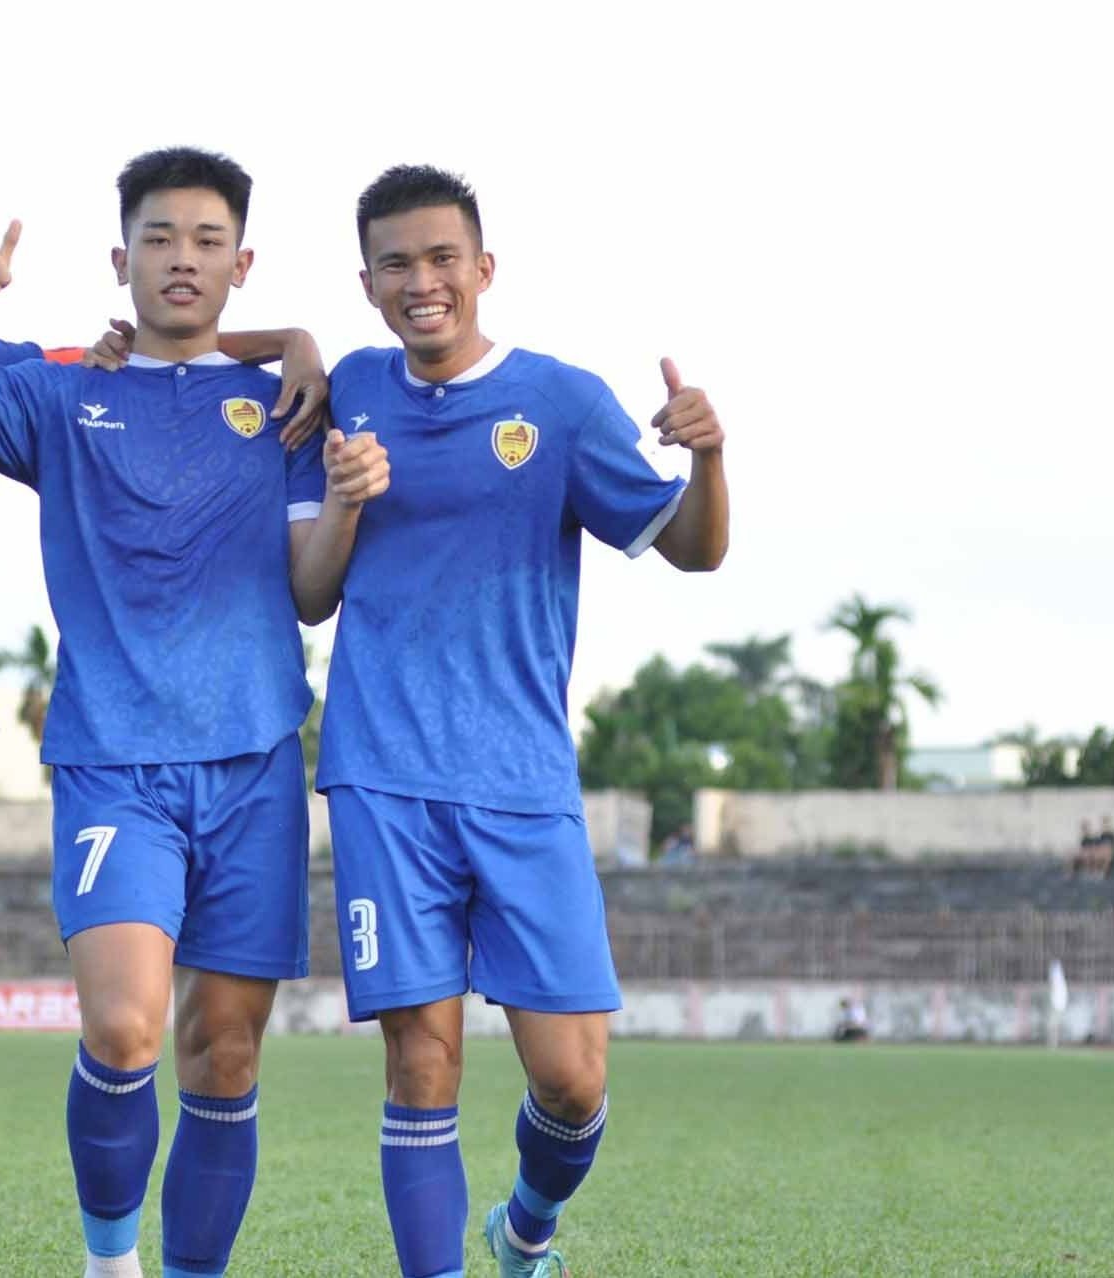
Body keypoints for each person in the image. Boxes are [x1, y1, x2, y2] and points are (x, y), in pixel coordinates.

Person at [0, 147, 342, 1278]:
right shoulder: (61, 390)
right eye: (161, 240)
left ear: (243, 262)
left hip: (257, 762)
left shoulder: (286, 405)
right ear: (120, 257)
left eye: (208, 241)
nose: (183, 260)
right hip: (113, 765)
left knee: (222, 1056)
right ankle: (108, 1262)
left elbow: (310, 590)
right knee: (123, 1031)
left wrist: (301, 359)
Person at [291, 165, 730, 1278]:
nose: (421, 281)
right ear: (367, 281)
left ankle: (525, 1227)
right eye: (395, 263)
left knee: (572, 1081)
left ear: (483, 270)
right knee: (422, 1061)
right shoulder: (349, 389)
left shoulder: (561, 402)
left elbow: (693, 547)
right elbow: (309, 593)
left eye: (442, 259)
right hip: (382, 772)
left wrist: (709, 455)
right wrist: (333, 464)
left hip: (524, 781)